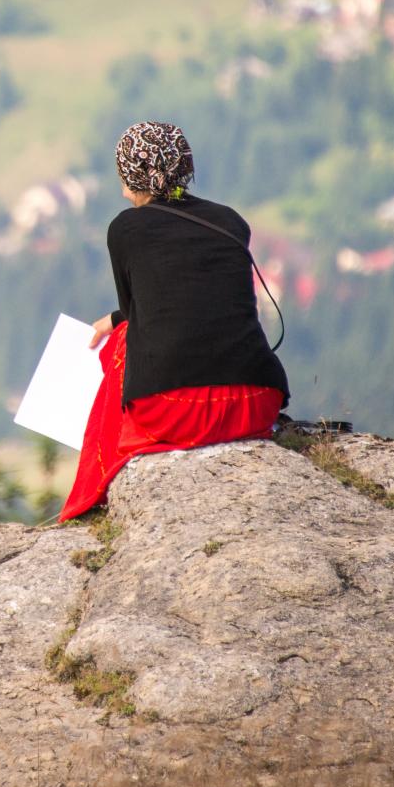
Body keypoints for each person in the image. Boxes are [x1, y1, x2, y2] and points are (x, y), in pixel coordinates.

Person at [58, 121, 288, 521]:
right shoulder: (230, 220)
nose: (122, 189)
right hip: (255, 402)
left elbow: (137, 315)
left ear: (132, 177)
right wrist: (116, 317)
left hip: (175, 410)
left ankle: (90, 493)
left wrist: (118, 321)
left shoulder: (125, 229)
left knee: (122, 344)